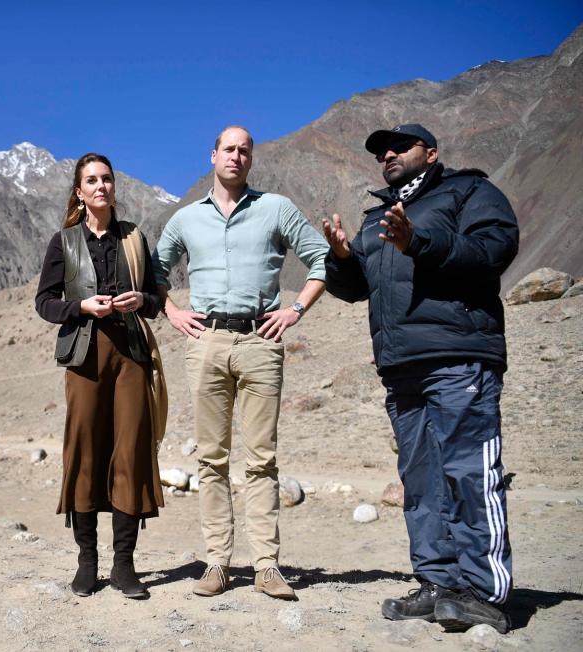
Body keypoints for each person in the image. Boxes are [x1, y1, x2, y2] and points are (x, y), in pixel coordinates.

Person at [322, 124, 518, 634]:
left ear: (430, 152)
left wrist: (421, 240)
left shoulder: (469, 192)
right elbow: (356, 289)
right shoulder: (376, 218)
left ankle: (484, 591)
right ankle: (439, 584)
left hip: (458, 356)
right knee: (422, 480)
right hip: (401, 366)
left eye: (400, 146)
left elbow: (495, 250)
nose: (387, 154)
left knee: (469, 472)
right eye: (380, 151)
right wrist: (342, 257)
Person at [153, 126, 329, 599]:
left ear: (252, 159)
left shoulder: (276, 209)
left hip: (260, 341)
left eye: (244, 150)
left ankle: (267, 565)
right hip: (206, 342)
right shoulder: (186, 219)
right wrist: (172, 311)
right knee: (211, 459)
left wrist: (294, 310)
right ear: (213, 155)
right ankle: (217, 563)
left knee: (262, 458)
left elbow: (322, 259)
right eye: (228, 148)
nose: (236, 156)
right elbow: (154, 272)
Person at [35, 152, 164, 600]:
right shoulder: (64, 241)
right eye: (91, 180)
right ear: (79, 191)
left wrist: (140, 303)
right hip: (84, 357)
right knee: (85, 452)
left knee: (129, 450)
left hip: (130, 354)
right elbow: (45, 302)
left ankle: (125, 566)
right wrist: (80, 307)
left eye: (106, 179)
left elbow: (156, 297)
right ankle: (87, 562)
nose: (100, 187)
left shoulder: (134, 239)